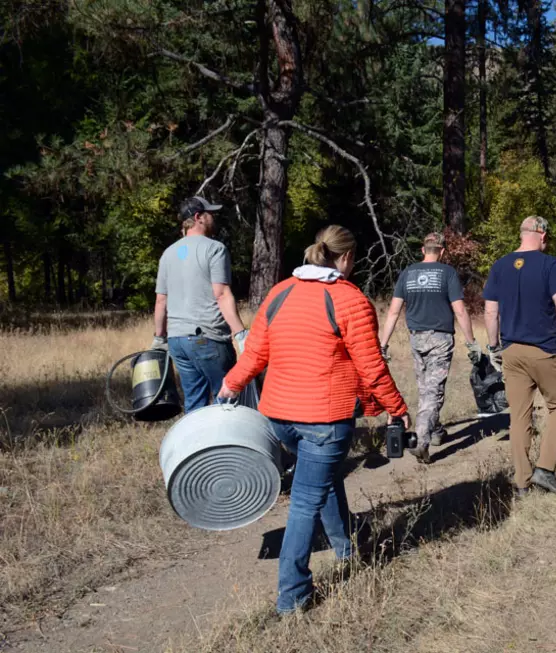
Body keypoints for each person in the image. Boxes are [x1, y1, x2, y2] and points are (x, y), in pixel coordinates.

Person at [217, 225, 410, 615]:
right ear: (346, 258)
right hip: (324, 418)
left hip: (278, 417)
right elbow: (371, 368)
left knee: (323, 480)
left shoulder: (280, 292)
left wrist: (229, 387)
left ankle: (345, 547)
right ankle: (293, 596)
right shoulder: (349, 299)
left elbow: (254, 355)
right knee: (306, 502)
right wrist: (398, 408)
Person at [483, 216, 556, 496]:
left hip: (511, 351)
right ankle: (545, 469)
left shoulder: (500, 265)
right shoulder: (549, 264)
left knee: (519, 415)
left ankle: (521, 482)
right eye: (546, 237)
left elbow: (491, 311)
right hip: (544, 350)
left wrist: (493, 347)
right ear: (541, 235)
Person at [379, 232, 482, 462]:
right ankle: (422, 440)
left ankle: (436, 431)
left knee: (427, 388)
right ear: (443, 251)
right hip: (440, 339)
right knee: (433, 391)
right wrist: (471, 342)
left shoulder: (408, 273)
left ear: (423, 250)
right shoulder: (447, 273)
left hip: (417, 339)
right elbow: (460, 310)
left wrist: (383, 344)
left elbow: (394, 311)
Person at [152, 195, 247, 413]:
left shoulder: (168, 254)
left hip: (177, 341)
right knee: (228, 400)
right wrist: (241, 334)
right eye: (209, 213)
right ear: (198, 218)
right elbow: (221, 294)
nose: (213, 217)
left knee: (195, 403)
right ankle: (228, 446)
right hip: (208, 337)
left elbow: (161, 300)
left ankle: (195, 445)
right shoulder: (214, 248)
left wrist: (159, 338)